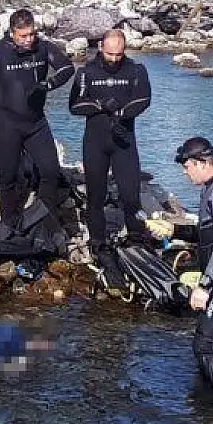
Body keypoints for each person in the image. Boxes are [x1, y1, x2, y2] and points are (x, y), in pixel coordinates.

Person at [153, 137, 213, 405]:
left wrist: (204, 286)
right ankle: (206, 405)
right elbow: (207, 234)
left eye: (187, 166)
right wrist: (174, 231)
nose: (185, 173)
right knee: (205, 346)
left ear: (202, 162)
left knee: (205, 347)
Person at [68, 29, 163, 290]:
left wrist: (121, 112)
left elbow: (145, 99)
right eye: (109, 54)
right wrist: (100, 106)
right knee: (96, 196)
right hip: (95, 142)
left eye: (119, 54)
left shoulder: (135, 69)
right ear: (100, 47)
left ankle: (135, 238)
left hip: (124, 142)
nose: (114, 59)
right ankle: (98, 242)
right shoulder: (87, 72)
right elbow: (74, 106)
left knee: (130, 195)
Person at [0, 8, 75, 230]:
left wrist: (48, 85)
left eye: (31, 34)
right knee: (8, 178)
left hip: (36, 123)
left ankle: (44, 222)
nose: (29, 40)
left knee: (50, 171)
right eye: (23, 36)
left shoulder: (42, 47)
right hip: (8, 125)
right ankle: (9, 224)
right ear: (12, 33)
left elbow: (67, 68)